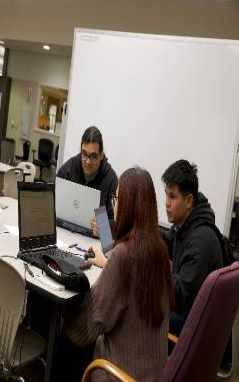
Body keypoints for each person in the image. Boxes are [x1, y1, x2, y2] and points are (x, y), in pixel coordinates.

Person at [58, 167, 172, 382]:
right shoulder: (160, 250)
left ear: (128, 204)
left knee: (64, 345)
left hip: (118, 373)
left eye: (117, 198)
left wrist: (64, 305)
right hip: (153, 373)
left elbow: (90, 325)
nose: (114, 204)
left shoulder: (124, 255)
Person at [161, 159, 223, 336]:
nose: (166, 202)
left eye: (172, 196)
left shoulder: (200, 242)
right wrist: (144, 232)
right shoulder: (186, 225)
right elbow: (167, 241)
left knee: (135, 310)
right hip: (186, 316)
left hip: (190, 328)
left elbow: (178, 297)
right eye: (166, 194)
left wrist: (146, 278)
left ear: (189, 201)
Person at [57, 126, 118, 233]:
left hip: (93, 240)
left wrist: (104, 228)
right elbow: (52, 198)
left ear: (101, 155)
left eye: (93, 156)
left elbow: (116, 220)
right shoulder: (69, 168)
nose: (88, 161)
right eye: (84, 154)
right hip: (64, 232)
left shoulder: (111, 179)